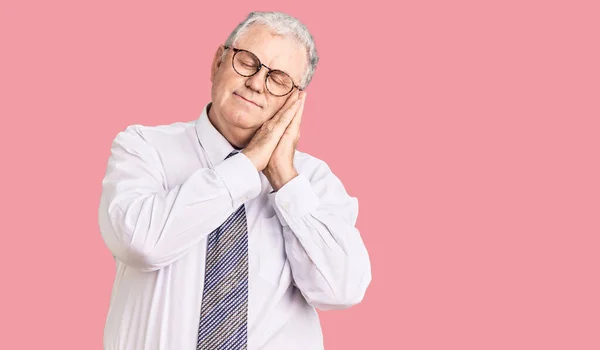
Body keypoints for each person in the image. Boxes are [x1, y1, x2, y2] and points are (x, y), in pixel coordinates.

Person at [98, 11, 372, 350]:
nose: (257, 83)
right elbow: (142, 245)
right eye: (247, 62)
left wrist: (285, 179)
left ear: (295, 99)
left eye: (279, 79)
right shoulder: (143, 148)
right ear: (218, 62)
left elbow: (342, 289)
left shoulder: (313, 181)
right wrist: (246, 165)